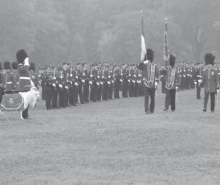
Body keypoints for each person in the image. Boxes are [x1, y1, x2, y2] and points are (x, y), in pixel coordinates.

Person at [137, 48, 160, 114]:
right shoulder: (144, 66)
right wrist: (144, 62)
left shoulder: (154, 66)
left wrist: (156, 82)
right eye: (148, 61)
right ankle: (146, 110)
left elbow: (157, 75)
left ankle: (152, 110)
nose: (149, 62)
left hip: (153, 84)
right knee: (146, 98)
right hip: (146, 84)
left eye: (149, 61)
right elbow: (138, 66)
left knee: (152, 99)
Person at [16, 49, 32, 119]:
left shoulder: (23, 65)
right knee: (24, 101)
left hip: (27, 85)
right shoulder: (20, 66)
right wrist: (26, 61)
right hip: (23, 86)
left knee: (27, 101)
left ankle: (26, 115)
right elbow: (26, 67)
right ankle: (23, 115)